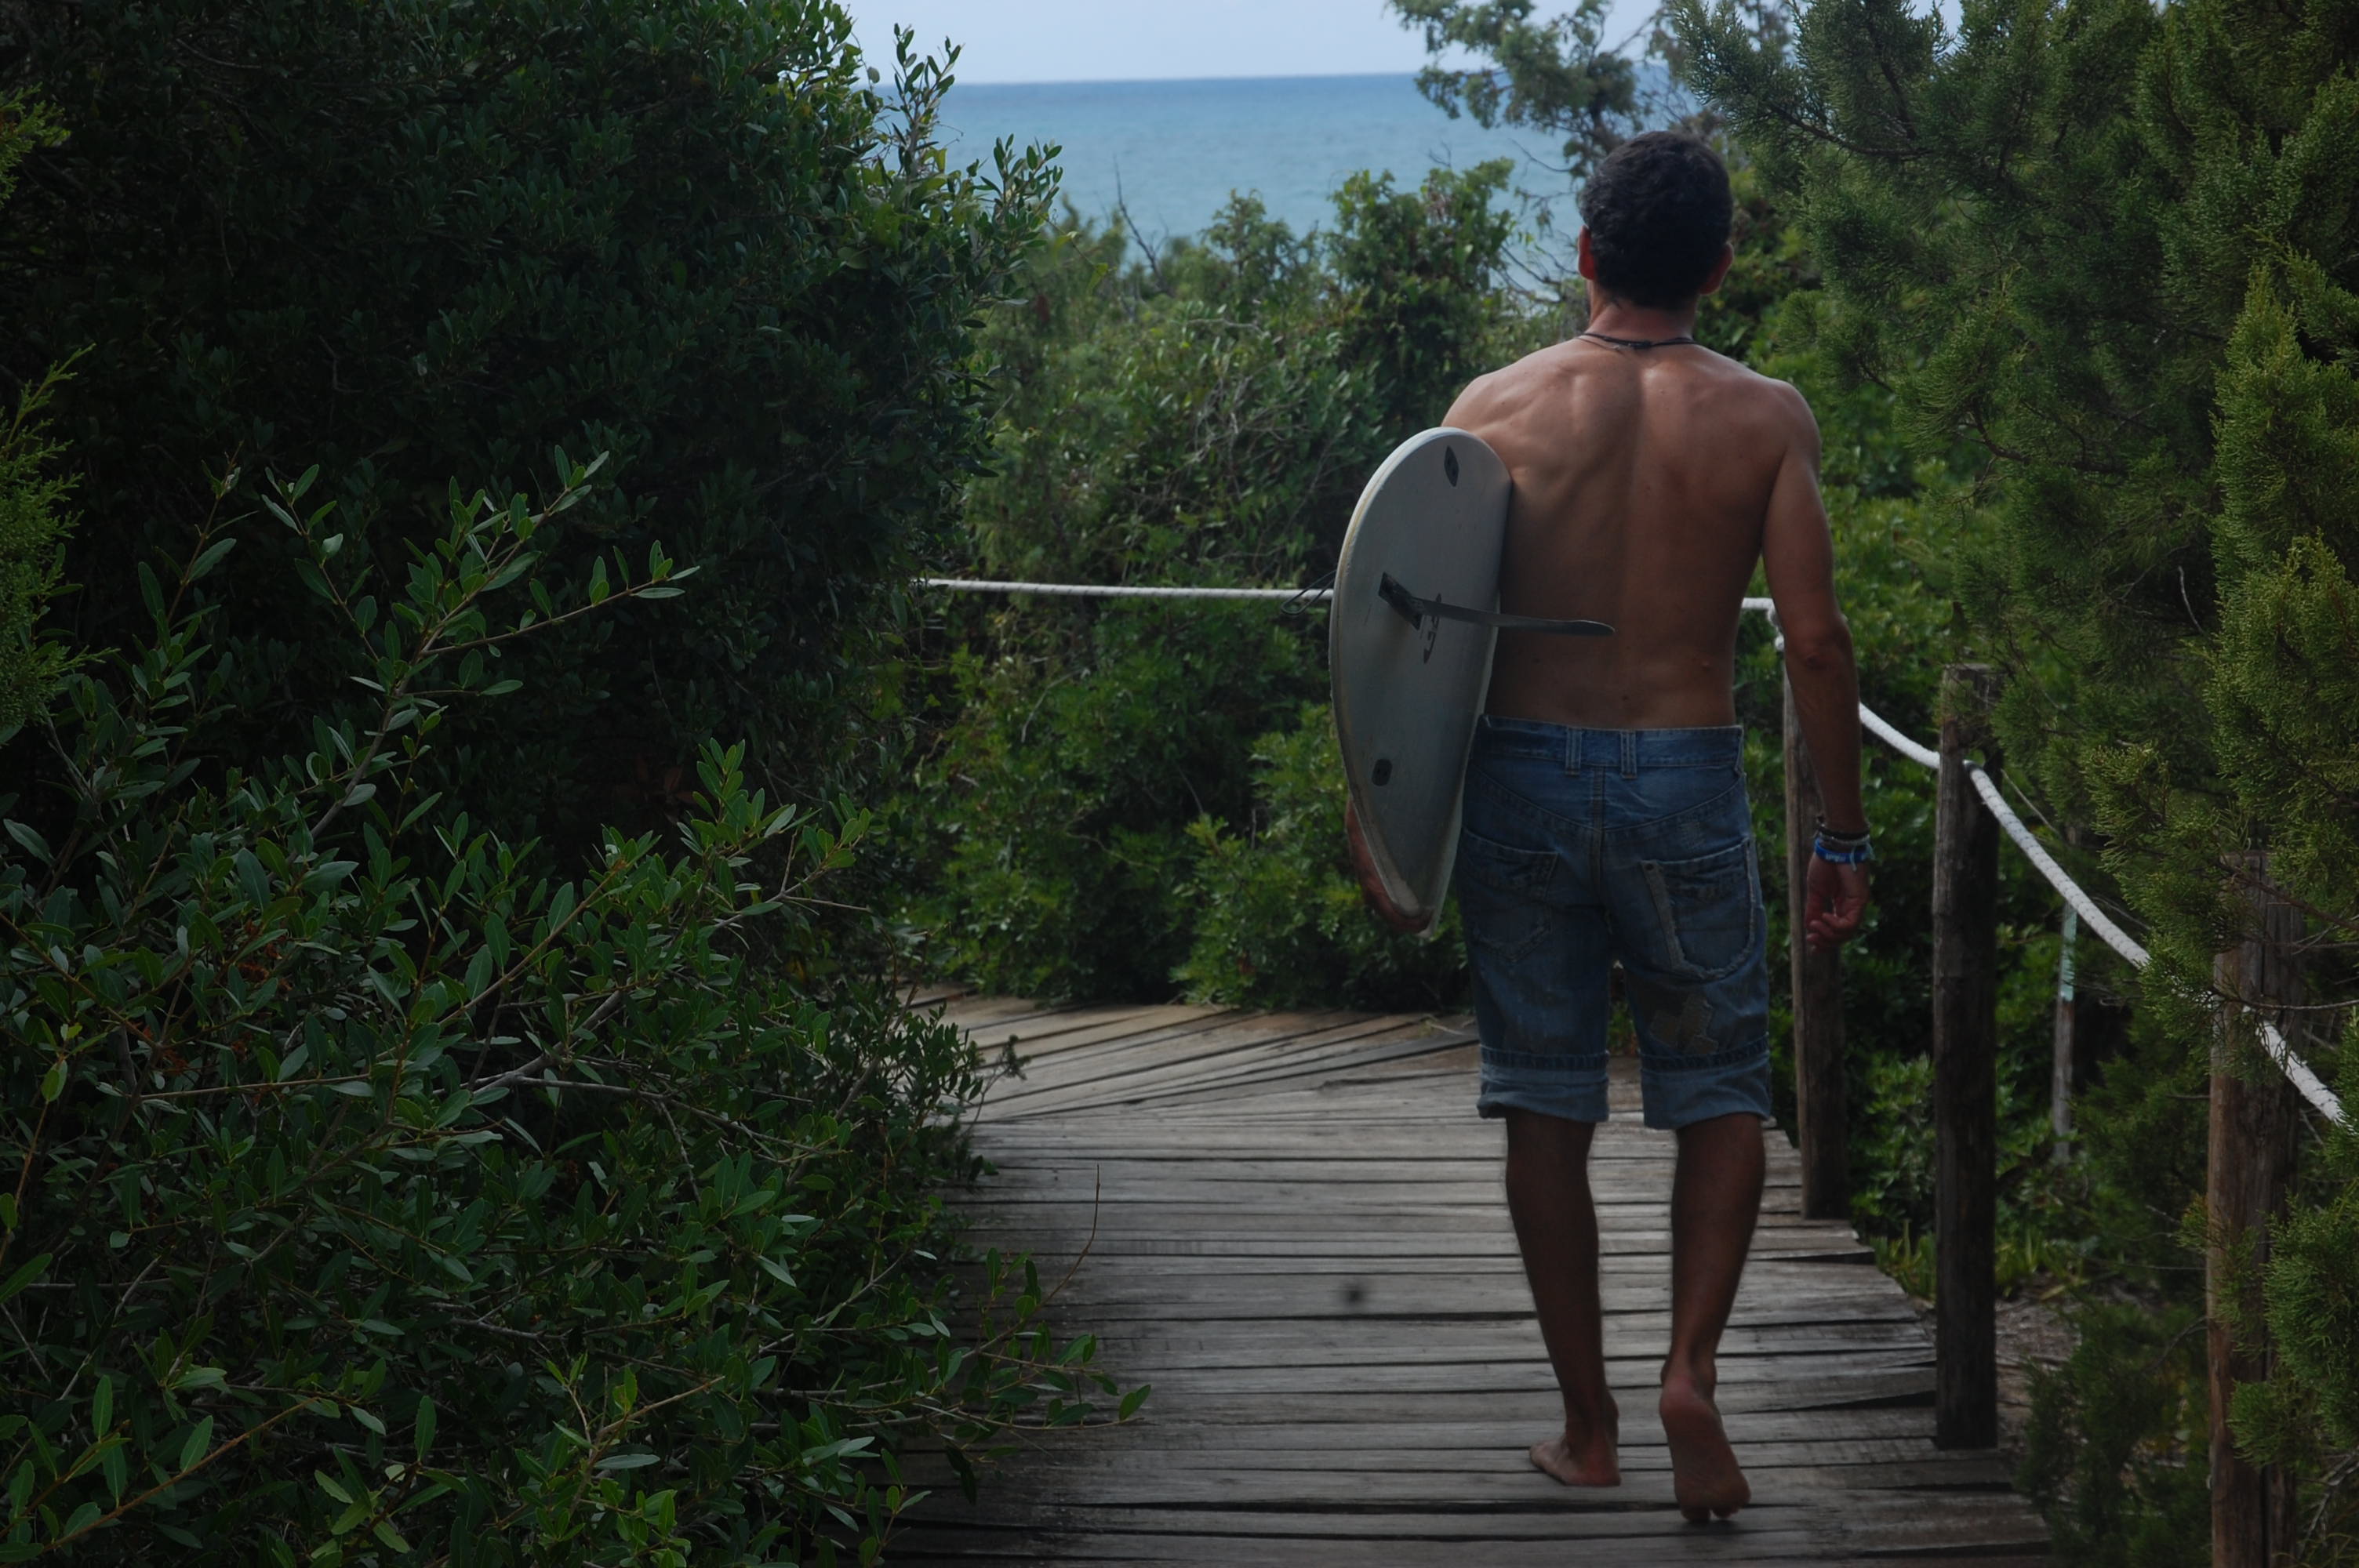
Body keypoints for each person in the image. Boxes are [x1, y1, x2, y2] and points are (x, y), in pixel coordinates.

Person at [1433, 131, 1872, 1523]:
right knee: (1721, 1090)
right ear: (1721, 270)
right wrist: (1843, 840)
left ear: (1585, 257)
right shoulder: (1765, 420)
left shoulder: (1491, 409)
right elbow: (1814, 642)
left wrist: (1385, 822)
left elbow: (1411, 638)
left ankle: (1589, 1428)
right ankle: (1692, 1370)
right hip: (1682, 770)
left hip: (1517, 780)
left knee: (1543, 1097)